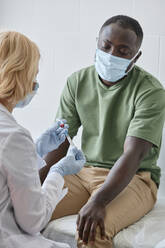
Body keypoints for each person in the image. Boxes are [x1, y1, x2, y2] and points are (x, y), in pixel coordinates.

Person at [40, 15, 165, 248]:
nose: (111, 55)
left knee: (93, 230)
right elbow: (61, 141)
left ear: (136, 57)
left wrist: (98, 200)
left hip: (134, 178)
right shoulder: (77, 81)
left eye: (123, 51)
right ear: (97, 43)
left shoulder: (150, 91)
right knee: (27, 210)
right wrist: (34, 183)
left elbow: (133, 155)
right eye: (106, 46)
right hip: (83, 171)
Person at [0, 31, 86, 248]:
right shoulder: (15, 136)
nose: (35, 85)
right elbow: (33, 220)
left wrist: (37, 150)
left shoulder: (12, 136)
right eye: (33, 75)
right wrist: (58, 173)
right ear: (17, 75)